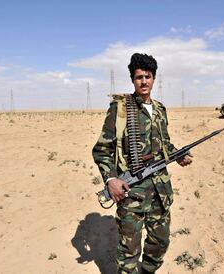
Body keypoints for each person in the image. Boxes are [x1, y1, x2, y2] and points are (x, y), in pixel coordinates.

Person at [92, 53, 192, 273]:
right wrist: (111, 180)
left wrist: (178, 154)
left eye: (148, 76)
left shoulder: (159, 109)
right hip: (132, 193)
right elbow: (102, 150)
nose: (144, 81)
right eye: (139, 77)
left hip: (160, 191)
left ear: (154, 78)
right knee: (129, 251)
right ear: (132, 80)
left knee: (160, 243)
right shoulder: (119, 109)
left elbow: (163, 144)